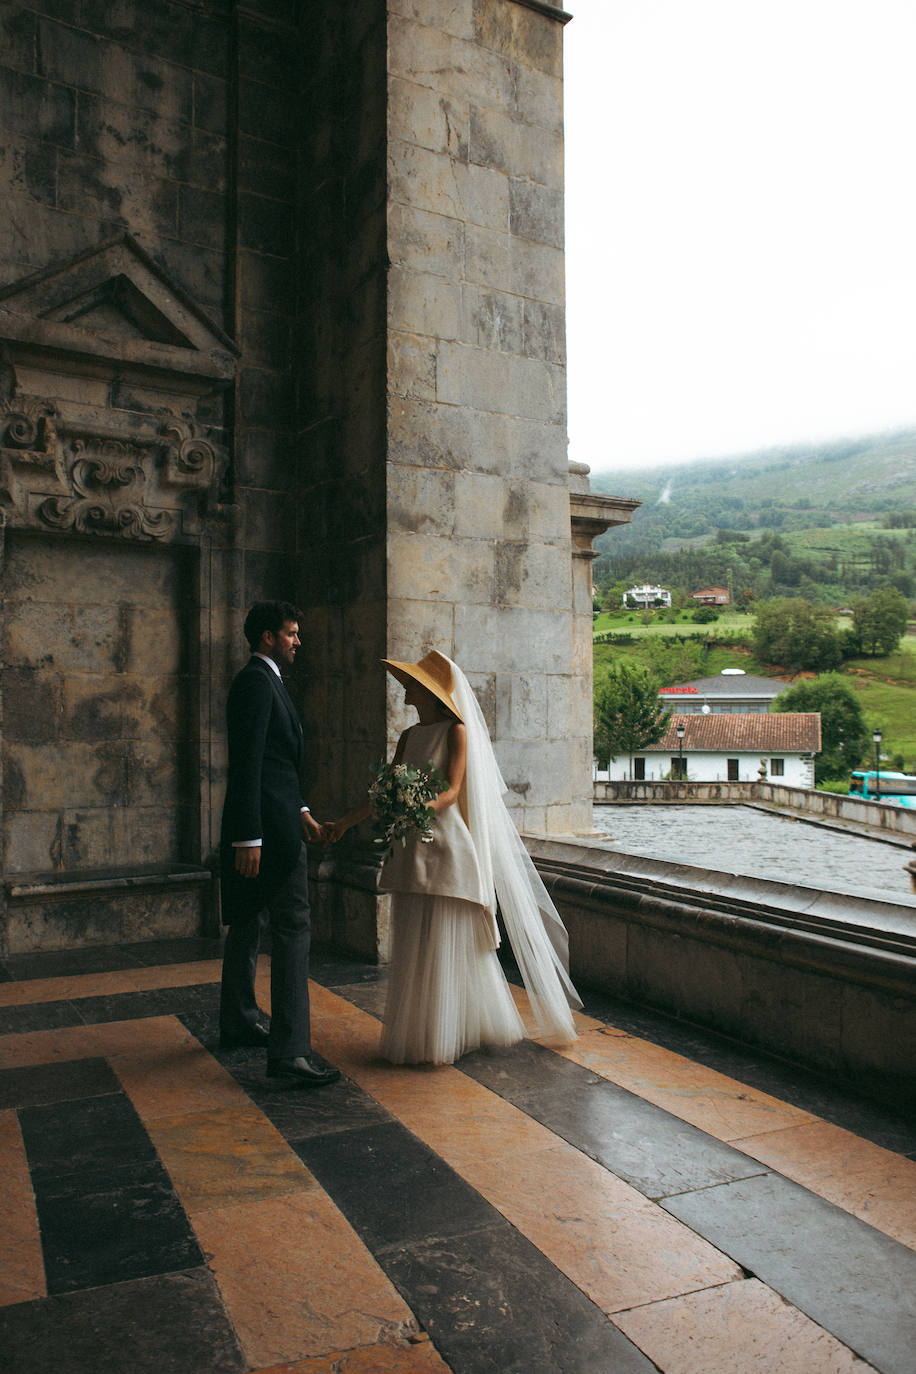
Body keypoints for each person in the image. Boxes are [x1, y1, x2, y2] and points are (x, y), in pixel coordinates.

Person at [326, 651, 581, 1065]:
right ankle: (425, 1030)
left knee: (445, 941)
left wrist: (413, 807)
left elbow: (450, 792)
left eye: (411, 683)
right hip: (411, 849)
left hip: (446, 849)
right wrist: (345, 822)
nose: (404, 688)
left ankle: (441, 1037)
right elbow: (383, 790)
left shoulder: (457, 731)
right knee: (414, 941)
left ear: (428, 690)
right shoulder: (409, 737)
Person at [219, 600, 340, 1088]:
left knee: (250, 919)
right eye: (291, 633)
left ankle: (240, 1018)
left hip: (277, 824)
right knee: (292, 928)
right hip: (268, 837)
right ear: (267, 637)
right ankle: (289, 1054)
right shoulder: (256, 681)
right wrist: (249, 837)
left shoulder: (267, 681)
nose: (297, 641)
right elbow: (246, 762)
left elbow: (276, 765)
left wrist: (303, 810)